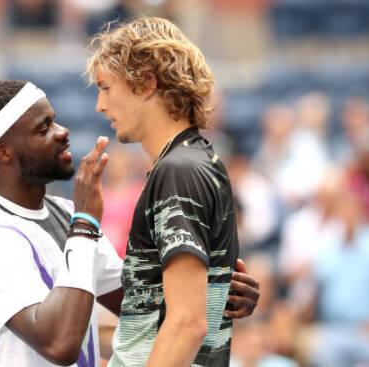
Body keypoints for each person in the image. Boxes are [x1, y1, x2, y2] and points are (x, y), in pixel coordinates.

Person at [0, 79, 259, 366]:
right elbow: (59, 344)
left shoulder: (65, 212)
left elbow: (141, 307)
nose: (62, 132)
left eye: (54, 120)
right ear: (3, 152)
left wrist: (213, 294)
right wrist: (84, 224)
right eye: (43, 129)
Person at [86, 16, 250, 366]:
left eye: (106, 88)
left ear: (146, 83)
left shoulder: (179, 171)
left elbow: (187, 324)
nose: (100, 106)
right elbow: (154, 321)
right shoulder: (195, 161)